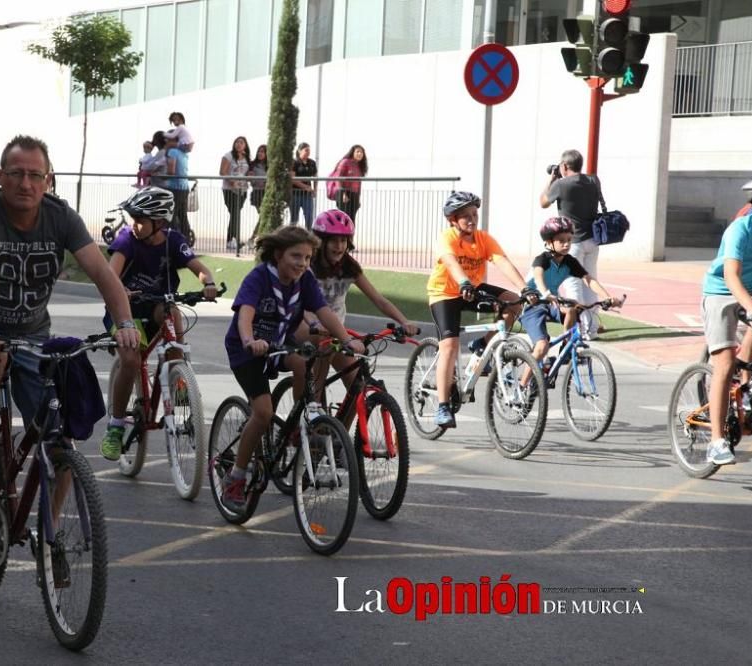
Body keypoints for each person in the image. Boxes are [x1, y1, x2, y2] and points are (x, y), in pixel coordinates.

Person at [0, 135, 139, 490]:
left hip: (32, 336)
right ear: (0, 176)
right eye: (17, 173)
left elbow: (102, 273)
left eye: (36, 175)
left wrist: (125, 323)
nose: (26, 183)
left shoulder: (61, 217)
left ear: (48, 180)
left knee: (59, 442)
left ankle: (55, 542)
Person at [218, 226, 365, 512]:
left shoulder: (305, 280)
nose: (303, 263)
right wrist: (250, 340)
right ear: (277, 254)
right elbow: (245, 315)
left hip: (278, 345)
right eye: (296, 256)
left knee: (303, 362)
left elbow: (325, 313)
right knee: (263, 414)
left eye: (308, 258)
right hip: (246, 351)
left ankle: (301, 425)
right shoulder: (259, 277)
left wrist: (347, 341)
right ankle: (235, 477)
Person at [99, 186, 218, 461]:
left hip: (154, 305)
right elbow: (109, 273)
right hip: (125, 310)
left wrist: (208, 282)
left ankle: (178, 378)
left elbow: (197, 267)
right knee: (130, 361)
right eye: (133, 218)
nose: (134, 225)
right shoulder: (128, 240)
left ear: (160, 221)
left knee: (172, 311)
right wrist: (119, 289)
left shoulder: (173, 241)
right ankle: (116, 426)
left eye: (140, 220)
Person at [426, 191, 539, 428]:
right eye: (465, 216)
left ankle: (484, 343)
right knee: (449, 345)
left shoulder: (483, 239)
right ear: (453, 220)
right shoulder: (447, 238)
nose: (472, 219)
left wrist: (525, 289)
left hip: (472, 289)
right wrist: (463, 281)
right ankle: (443, 406)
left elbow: (502, 261)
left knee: (514, 302)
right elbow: (450, 262)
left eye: (475, 214)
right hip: (445, 292)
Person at [299, 209, 419, 413]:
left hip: (336, 332)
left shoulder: (349, 267)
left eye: (344, 241)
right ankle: (313, 411)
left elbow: (379, 300)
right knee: (323, 346)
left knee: (358, 389)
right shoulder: (308, 267)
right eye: (334, 241)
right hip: (308, 329)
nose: (340, 246)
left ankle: (339, 441)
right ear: (321, 241)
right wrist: (315, 323)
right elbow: (299, 305)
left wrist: (403, 321)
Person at [699, 189, 752, 466]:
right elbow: (730, 276)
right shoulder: (739, 230)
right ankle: (716, 441)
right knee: (724, 365)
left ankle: (750, 381)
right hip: (721, 293)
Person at [519, 217, 622, 375]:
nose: (566, 244)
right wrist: (545, 292)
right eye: (561, 240)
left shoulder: (569, 261)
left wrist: (608, 297)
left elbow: (588, 280)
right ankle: (522, 386)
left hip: (551, 302)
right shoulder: (543, 259)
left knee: (572, 309)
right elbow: (538, 274)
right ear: (548, 242)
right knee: (541, 348)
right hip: (531, 304)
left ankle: (566, 345)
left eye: (569, 239)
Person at [539, 148, 605, 339]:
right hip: (592, 240)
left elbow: (543, 202)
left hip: (571, 241)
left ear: (565, 166)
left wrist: (551, 179)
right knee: (590, 282)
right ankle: (590, 330)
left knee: (573, 285)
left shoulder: (561, 184)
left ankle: (577, 329)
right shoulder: (594, 180)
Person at [220, 135, 250, 251]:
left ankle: (234, 240)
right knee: (235, 213)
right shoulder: (228, 156)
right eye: (237, 142)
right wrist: (231, 181)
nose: (239, 144)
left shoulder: (247, 158)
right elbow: (222, 172)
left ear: (245, 145)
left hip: (243, 190)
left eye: (241, 142)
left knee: (235, 214)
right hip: (229, 190)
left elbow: (247, 172)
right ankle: (231, 240)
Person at [164, 131, 193, 240]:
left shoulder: (173, 152)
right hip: (184, 187)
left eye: (168, 139)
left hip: (174, 187)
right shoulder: (184, 153)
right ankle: (186, 239)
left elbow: (171, 171)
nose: (166, 142)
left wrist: (159, 175)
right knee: (182, 215)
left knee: (171, 215)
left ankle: (172, 240)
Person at [333, 144, 367, 223]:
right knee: (343, 219)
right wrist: (343, 194)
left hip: (354, 195)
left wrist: (358, 198)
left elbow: (359, 184)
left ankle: (350, 235)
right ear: (353, 153)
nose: (360, 154)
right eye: (358, 152)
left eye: (361, 152)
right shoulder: (345, 162)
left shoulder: (359, 166)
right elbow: (338, 178)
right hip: (344, 194)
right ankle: (341, 235)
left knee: (352, 220)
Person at [289, 142, 317, 228]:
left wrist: (315, 189)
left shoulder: (312, 162)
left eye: (309, 150)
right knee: (294, 217)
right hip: (295, 194)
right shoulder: (294, 162)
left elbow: (315, 177)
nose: (308, 152)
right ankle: (292, 236)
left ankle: (309, 236)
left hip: (307, 195)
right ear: (299, 151)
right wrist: (305, 187)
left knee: (309, 216)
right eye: (306, 150)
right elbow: (292, 179)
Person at [249, 144, 268, 217]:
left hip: (267, 192)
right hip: (257, 192)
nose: (260, 153)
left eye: (262, 152)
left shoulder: (270, 165)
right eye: (259, 151)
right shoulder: (253, 164)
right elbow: (251, 180)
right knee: (262, 215)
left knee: (265, 216)